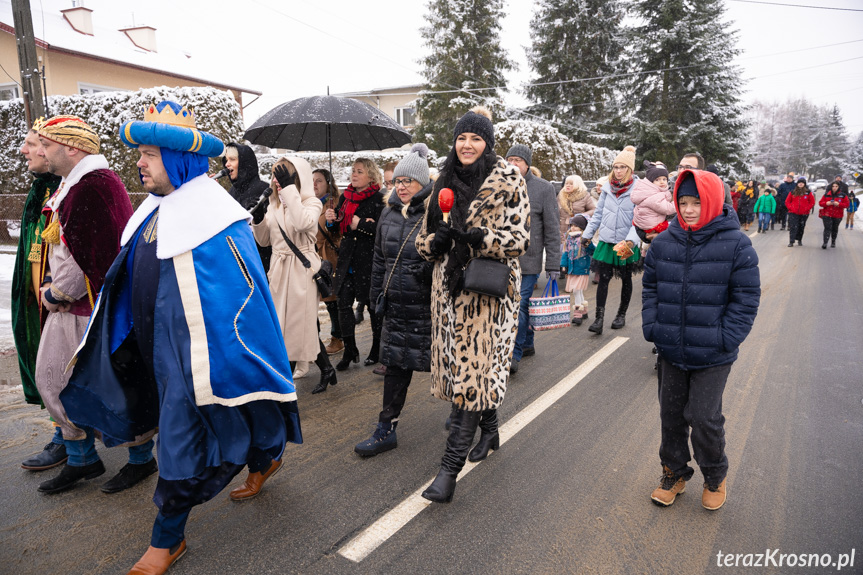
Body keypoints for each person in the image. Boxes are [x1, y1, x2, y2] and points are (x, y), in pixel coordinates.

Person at [59, 100, 302, 575]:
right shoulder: (152, 210)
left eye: (149, 154)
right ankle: (266, 458)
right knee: (248, 416)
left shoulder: (217, 221)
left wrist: (214, 357)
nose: (140, 162)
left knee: (182, 436)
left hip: (196, 357)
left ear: (179, 160)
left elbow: (242, 304)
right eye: (141, 153)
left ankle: (167, 538)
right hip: (151, 346)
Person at [32, 115, 156, 495]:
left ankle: (138, 460)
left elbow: (92, 256)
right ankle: (83, 458)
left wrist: (56, 292)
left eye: (47, 144)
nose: (38, 151)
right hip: (78, 306)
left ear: (72, 148)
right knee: (62, 382)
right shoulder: (79, 185)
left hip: (84, 310)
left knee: (97, 384)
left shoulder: (91, 188)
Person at [415, 106, 529, 503]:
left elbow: (520, 240)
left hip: (487, 294)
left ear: (488, 143)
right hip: (448, 292)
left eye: (476, 138)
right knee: (469, 377)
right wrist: (438, 242)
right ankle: (491, 428)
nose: (467, 145)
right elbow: (423, 240)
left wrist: (481, 238)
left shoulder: (509, 179)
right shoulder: (442, 179)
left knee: (471, 378)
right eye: (462, 137)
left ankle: (448, 472)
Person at [642, 169, 760, 511]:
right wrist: (653, 325)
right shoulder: (664, 242)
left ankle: (714, 474)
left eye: (696, 202)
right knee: (672, 416)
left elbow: (746, 298)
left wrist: (727, 338)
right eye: (683, 202)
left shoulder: (737, 244)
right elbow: (650, 286)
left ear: (712, 201)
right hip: (671, 348)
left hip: (714, 353)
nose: (689, 209)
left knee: (704, 416)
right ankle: (674, 472)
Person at [355, 144, 434, 456]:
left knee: (452, 368)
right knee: (396, 368)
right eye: (398, 181)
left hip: (429, 308)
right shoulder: (387, 213)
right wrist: (376, 296)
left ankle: (477, 420)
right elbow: (379, 260)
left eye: (408, 182)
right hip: (397, 309)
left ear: (422, 184)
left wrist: (424, 270)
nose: (401, 187)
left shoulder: (436, 212)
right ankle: (385, 429)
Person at [253, 157, 338, 394]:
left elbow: (302, 224)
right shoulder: (275, 204)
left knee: (298, 326)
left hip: (302, 270)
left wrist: (289, 190)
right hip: (280, 270)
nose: (276, 182)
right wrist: (259, 218)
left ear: (295, 179)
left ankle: (284, 382)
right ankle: (323, 369)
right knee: (283, 326)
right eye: (275, 176)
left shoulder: (311, 202)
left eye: (283, 176)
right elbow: (264, 241)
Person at [14, 120, 65, 471]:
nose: (24, 150)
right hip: (39, 299)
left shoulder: (66, 189)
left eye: (32, 143)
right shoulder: (40, 189)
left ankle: (68, 439)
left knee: (60, 370)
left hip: (61, 300)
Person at [506, 144, 560, 373]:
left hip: (529, 261)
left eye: (518, 160)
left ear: (527, 164)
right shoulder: (499, 185)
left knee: (520, 306)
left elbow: (552, 229)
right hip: (504, 259)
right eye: (510, 160)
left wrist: (553, 264)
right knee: (512, 306)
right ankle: (527, 342)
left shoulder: (543, 189)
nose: (513, 164)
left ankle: (514, 355)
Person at [326, 159, 385, 370]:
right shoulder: (345, 197)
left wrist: (361, 225)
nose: (354, 174)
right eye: (353, 171)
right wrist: (331, 219)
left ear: (370, 176)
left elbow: (382, 230)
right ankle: (350, 349)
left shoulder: (380, 198)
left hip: (368, 260)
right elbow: (336, 229)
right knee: (343, 304)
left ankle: (376, 348)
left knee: (372, 306)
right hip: (347, 259)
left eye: (359, 171)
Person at [581, 146, 642, 335]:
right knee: (604, 279)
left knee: (625, 277)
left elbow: (639, 218)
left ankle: (621, 315)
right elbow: (598, 214)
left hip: (626, 243)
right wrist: (587, 234)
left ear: (630, 169)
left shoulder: (638, 189)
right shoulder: (607, 187)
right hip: (607, 242)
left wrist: (631, 241)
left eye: (622, 167)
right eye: (616, 166)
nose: (618, 170)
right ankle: (599, 319)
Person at [224, 142, 272, 272]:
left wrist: (257, 216)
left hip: (259, 263)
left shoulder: (264, 189)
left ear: (245, 163)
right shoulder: (231, 192)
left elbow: (271, 235)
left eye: (232, 159)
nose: (227, 164)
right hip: (236, 263)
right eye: (226, 160)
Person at [313, 168, 344, 354]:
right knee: (320, 300)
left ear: (328, 184)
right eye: (312, 181)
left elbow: (338, 231)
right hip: (314, 256)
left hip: (330, 257)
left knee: (333, 301)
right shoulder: (311, 204)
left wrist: (333, 221)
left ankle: (337, 337)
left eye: (319, 181)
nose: (314, 184)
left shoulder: (334, 203)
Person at [560, 214, 594, 326]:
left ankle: (577, 314)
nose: (573, 227)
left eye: (576, 225)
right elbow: (566, 252)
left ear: (582, 227)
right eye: (572, 225)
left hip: (582, 268)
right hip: (572, 269)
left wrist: (588, 244)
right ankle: (584, 311)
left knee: (576, 290)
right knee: (578, 290)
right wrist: (563, 265)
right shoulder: (569, 238)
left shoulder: (584, 239)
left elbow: (592, 251)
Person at [631, 160, 675, 243]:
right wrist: (677, 203)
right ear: (651, 182)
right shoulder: (653, 196)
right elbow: (667, 209)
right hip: (652, 227)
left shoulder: (647, 191)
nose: (662, 182)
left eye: (664, 179)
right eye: (657, 180)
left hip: (642, 225)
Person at [557, 175, 597, 246]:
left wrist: (580, 217)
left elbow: (593, 210)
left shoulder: (584, 196)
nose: (568, 186)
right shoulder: (560, 195)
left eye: (571, 184)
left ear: (577, 185)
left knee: (577, 251)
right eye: (566, 183)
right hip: (561, 229)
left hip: (578, 229)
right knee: (563, 252)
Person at [785, 178, 816, 247]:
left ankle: (799, 240)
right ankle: (791, 241)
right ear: (797, 184)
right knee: (793, 227)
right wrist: (791, 208)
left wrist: (807, 208)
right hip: (793, 212)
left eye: (802, 183)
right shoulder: (792, 192)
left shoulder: (808, 192)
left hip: (804, 213)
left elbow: (812, 202)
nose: (801, 184)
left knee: (801, 227)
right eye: (799, 183)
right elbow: (787, 201)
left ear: (804, 184)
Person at [819, 181, 850, 249]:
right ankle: (825, 243)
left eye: (836, 186)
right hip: (827, 214)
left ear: (838, 187)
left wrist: (839, 204)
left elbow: (847, 204)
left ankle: (833, 241)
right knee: (827, 228)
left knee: (834, 229)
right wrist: (826, 203)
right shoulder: (827, 194)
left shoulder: (843, 195)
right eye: (833, 186)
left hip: (837, 215)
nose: (834, 188)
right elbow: (820, 203)